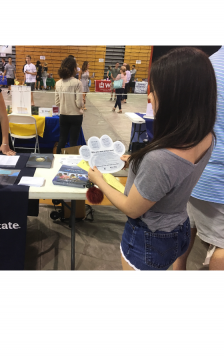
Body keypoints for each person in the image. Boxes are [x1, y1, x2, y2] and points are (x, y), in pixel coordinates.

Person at [88, 47, 216, 271]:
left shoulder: (159, 160)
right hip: (179, 229)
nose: (148, 96)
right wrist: (136, 161)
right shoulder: (207, 137)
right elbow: (172, 177)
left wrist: (99, 180)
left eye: (155, 90)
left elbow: (132, 208)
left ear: (176, 97)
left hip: (148, 239)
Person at [173, 46, 224, 270]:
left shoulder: (207, 64)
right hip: (216, 180)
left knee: (186, 229)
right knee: (221, 246)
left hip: (192, 171)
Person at [55, 56, 84, 154]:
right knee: (73, 142)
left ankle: (57, 160)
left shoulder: (58, 83)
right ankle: (72, 165)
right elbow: (79, 103)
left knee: (62, 139)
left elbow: (57, 103)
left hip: (63, 115)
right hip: (75, 115)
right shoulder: (78, 83)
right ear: (74, 68)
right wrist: (82, 104)